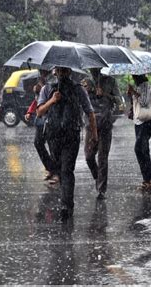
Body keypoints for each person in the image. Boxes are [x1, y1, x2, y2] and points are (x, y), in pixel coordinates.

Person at [37, 67, 97, 220]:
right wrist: (52, 100)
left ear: (69, 72)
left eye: (64, 71)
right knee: (61, 170)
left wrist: (94, 134)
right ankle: (66, 203)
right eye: (59, 71)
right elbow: (39, 112)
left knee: (67, 170)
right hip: (54, 136)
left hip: (70, 136)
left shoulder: (78, 90)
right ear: (55, 72)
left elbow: (89, 111)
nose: (62, 74)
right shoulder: (47, 89)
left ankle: (66, 205)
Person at [82, 68, 120, 200]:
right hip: (90, 125)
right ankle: (98, 177)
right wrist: (85, 92)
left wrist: (105, 94)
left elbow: (119, 101)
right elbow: (79, 101)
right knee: (88, 156)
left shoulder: (110, 81)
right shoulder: (85, 82)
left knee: (103, 158)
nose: (94, 71)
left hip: (105, 123)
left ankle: (101, 189)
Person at [25, 69, 59, 184]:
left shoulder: (54, 79)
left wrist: (43, 89)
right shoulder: (39, 79)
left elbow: (55, 97)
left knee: (53, 145)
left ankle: (57, 173)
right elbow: (37, 101)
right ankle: (50, 168)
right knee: (38, 143)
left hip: (52, 118)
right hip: (41, 119)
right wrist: (30, 111)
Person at [127, 74, 151, 192]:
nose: (133, 77)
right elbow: (136, 104)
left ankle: (149, 180)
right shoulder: (139, 87)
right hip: (139, 121)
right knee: (142, 150)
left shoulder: (146, 86)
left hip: (147, 121)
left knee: (139, 149)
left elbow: (144, 102)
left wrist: (133, 92)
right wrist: (131, 94)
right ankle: (148, 180)